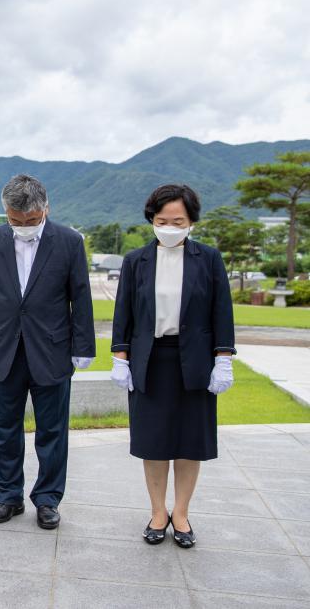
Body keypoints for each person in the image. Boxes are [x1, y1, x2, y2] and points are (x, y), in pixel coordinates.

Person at [110, 183, 235, 549]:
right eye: (162, 220)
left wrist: (222, 359)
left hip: (194, 361)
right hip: (151, 360)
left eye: (177, 220)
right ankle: (157, 512)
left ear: (191, 221)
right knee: (154, 443)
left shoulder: (209, 259)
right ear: (152, 220)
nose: (169, 226)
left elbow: (221, 312)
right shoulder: (136, 261)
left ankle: (180, 512)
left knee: (189, 443)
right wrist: (120, 357)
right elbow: (124, 315)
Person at [0, 174, 95, 530]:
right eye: (15, 220)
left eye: (31, 221)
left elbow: (81, 295)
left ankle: (48, 498)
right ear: (5, 213)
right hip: (6, 349)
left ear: (45, 209)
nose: (23, 226)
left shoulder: (69, 241)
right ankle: (7, 495)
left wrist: (82, 347)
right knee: (5, 427)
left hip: (53, 350)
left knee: (52, 430)